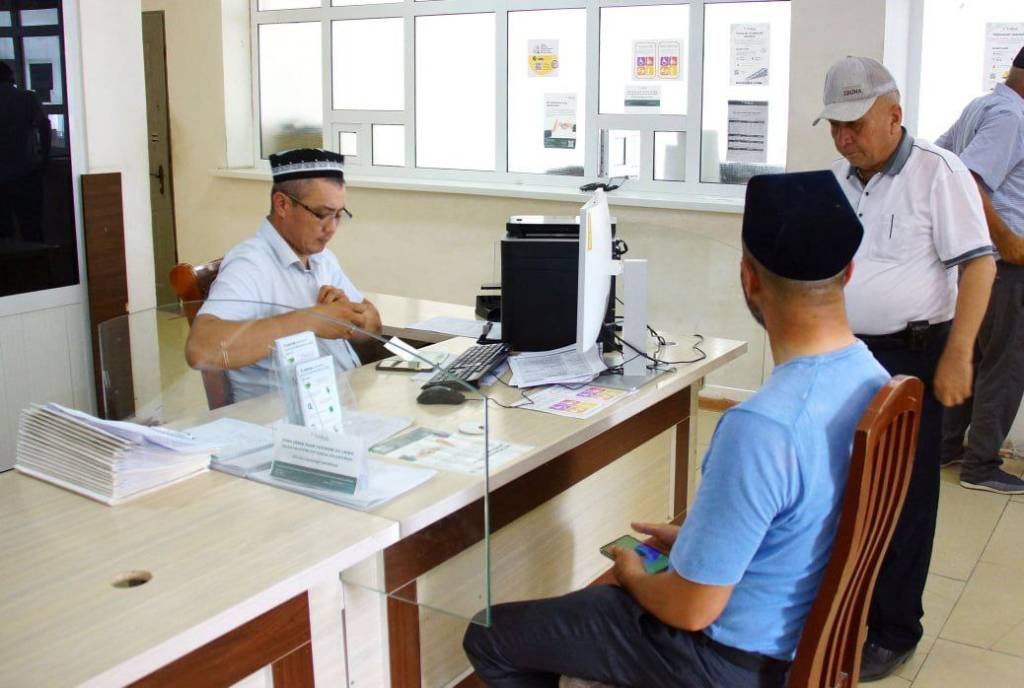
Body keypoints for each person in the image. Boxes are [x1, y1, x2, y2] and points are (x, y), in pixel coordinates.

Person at [462, 171, 890, 688]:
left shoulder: (762, 427)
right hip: (797, 643)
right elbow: (800, 518)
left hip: (727, 662)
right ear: (848, 272)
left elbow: (691, 610)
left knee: (490, 634)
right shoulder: (873, 380)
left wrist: (631, 575)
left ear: (749, 278)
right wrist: (698, 543)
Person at [814, 56, 996, 681]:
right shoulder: (835, 182)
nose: (844, 138)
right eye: (835, 126)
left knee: (904, 496)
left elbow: (979, 266)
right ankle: (838, 606)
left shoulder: (939, 173)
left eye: (856, 124)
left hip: (912, 356)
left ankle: (895, 630)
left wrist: (958, 354)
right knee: (836, 486)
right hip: (841, 352)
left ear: (894, 115)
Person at [186, 148, 383, 401]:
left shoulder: (321, 258)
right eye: (322, 215)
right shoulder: (251, 264)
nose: (332, 228)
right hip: (282, 416)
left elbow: (374, 326)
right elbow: (200, 349)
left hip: (339, 400)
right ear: (283, 205)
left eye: (338, 215)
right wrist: (310, 320)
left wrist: (352, 317)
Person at [936, 45, 1024, 495]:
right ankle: (981, 465)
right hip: (1006, 263)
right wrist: (1007, 241)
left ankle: (946, 446)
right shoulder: (1011, 116)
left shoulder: (982, 105)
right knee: (1006, 363)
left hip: (978, 260)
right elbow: (969, 179)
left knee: (973, 353)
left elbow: (940, 159)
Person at [0, 60, 50, 243]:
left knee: (4, 236)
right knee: (32, 228)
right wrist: (46, 157)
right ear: (11, 77)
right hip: (27, 173)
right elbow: (44, 127)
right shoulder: (27, 97)